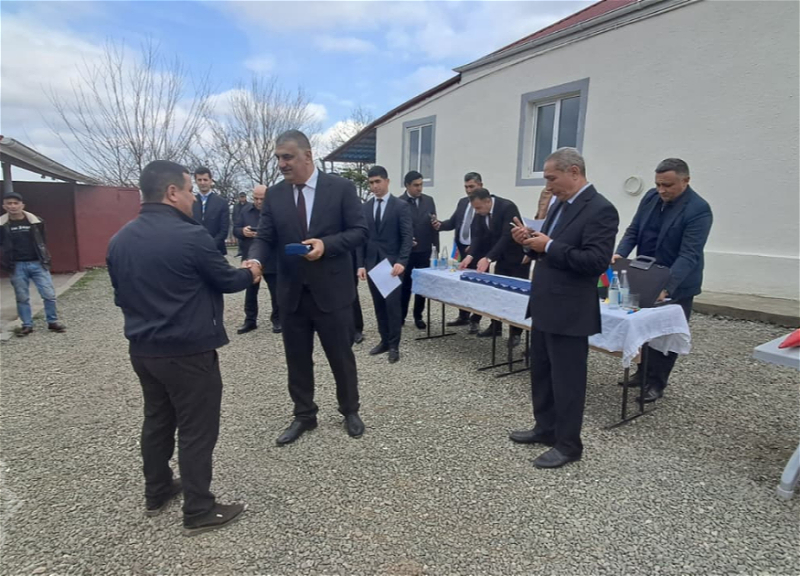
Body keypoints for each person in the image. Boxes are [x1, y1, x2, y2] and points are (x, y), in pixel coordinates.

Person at [107, 160, 259, 535]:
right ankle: (199, 509)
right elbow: (227, 280)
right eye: (190, 190)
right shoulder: (191, 237)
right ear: (172, 192)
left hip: (143, 350)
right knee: (196, 429)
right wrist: (251, 271)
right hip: (188, 352)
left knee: (157, 420)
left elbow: (120, 296)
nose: (193, 198)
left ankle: (157, 490)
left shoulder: (119, 239)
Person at [246, 130, 368, 444]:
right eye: (278, 158)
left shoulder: (340, 188)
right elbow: (265, 237)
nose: (281, 164)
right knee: (297, 359)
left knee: (341, 357)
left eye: (287, 157)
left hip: (333, 292)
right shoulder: (275, 195)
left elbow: (359, 231)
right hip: (292, 293)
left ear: (308, 156)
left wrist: (326, 245)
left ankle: (350, 410)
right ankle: (304, 415)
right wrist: (255, 260)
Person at [509, 148, 619, 469]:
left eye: (551, 178)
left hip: (571, 310)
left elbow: (595, 261)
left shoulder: (601, 209)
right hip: (545, 303)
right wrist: (530, 241)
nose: (548, 186)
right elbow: (550, 249)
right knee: (542, 373)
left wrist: (549, 245)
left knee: (567, 381)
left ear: (574, 172)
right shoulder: (559, 204)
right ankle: (545, 429)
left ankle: (569, 444)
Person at [613, 158, 713, 403]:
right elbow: (634, 230)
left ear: (686, 181)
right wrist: (620, 254)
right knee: (643, 326)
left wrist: (666, 287)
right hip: (644, 274)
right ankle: (642, 372)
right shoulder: (650, 197)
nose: (661, 190)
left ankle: (657, 383)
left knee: (666, 332)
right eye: (658, 184)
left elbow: (688, 255)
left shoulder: (698, 210)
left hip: (677, 281)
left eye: (667, 185)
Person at [458, 188, 528, 347]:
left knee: (515, 296)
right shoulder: (480, 212)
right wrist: (470, 256)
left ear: (488, 201)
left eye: (478, 208)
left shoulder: (507, 207)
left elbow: (507, 236)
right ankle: (495, 326)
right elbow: (477, 235)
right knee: (498, 293)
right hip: (501, 259)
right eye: (475, 208)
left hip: (517, 259)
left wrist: (488, 258)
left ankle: (515, 333)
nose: (477, 211)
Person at [357, 166, 413, 364]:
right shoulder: (365, 208)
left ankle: (394, 345)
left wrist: (401, 262)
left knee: (392, 306)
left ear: (387, 181)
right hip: (372, 263)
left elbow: (407, 237)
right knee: (379, 305)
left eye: (378, 182)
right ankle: (384, 341)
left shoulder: (400, 206)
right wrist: (360, 264)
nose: (375, 186)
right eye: (371, 183)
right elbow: (361, 238)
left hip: (392, 266)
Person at [1, 191, 67, 337]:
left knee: (49, 294)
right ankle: (27, 325)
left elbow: (42, 241)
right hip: (16, 265)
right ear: (4, 206)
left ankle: (52, 321)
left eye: (16, 203)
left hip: (38, 263)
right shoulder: (2, 225)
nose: (13, 206)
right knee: (22, 297)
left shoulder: (36, 222)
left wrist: (44, 258)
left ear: (22, 205)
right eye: (9, 203)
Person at [433, 171, 483, 333]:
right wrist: (440, 225)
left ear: (480, 185)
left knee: (477, 286)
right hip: (462, 250)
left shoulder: (485, 203)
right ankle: (463, 315)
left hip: (478, 252)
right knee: (462, 284)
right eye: (466, 187)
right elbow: (453, 222)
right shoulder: (462, 202)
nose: (468, 190)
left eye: (472, 186)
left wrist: (474, 246)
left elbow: (485, 232)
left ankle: (475, 320)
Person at [233, 185, 281, 335]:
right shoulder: (244, 211)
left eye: (262, 199)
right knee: (250, 291)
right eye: (256, 198)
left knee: (276, 291)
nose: (259, 202)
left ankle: (278, 319)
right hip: (250, 256)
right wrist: (243, 231)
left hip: (271, 257)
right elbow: (235, 229)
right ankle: (250, 320)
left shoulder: (275, 211)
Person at [398, 170, 438, 329]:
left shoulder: (429, 201)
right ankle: (401, 316)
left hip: (424, 250)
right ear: (407, 185)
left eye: (421, 185)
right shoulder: (399, 202)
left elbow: (434, 225)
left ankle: (418, 316)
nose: (419, 188)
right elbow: (395, 228)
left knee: (421, 286)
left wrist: (435, 249)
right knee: (405, 285)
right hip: (407, 252)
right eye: (416, 185)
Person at [192, 167, 229, 255]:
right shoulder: (190, 202)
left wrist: (211, 245)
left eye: (205, 180)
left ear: (211, 181)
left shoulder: (221, 203)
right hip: (195, 249)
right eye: (199, 180)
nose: (202, 183)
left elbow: (224, 230)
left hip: (216, 250)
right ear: (195, 181)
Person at [232, 191, 250, 257]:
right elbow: (234, 214)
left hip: (246, 223)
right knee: (239, 239)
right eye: (241, 197)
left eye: (243, 197)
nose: (242, 198)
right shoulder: (236, 206)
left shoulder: (249, 205)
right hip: (238, 224)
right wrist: (234, 221)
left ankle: (246, 251)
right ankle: (240, 251)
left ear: (245, 197)